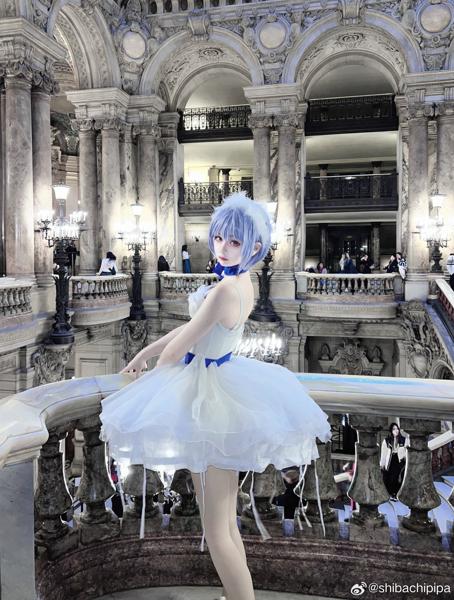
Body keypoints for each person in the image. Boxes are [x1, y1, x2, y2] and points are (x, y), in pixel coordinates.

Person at [99, 192, 331, 600]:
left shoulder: (226, 290)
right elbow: (189, 332)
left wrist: (150, 376)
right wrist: (143, 354)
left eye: (235, 241)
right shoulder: (241, 284)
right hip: (220, 387)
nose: (222, 247)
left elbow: (180, 347)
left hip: (209, 396)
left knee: (217, 529)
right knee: (224, 525)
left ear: (254, 247)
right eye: (219, 237)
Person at [380, 422, 409, 501]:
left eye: (397, 429)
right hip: (390, 460)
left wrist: (405, 460)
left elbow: (407, 452)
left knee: (398, 477)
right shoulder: (387, 440)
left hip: (400, 460)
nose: (396, 430)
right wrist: (382, 464)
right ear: (391, 431)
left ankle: (396, 494)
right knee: (390, 478)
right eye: (394, 429)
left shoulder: (403, 440)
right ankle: (391, 494)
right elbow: (384, 453)